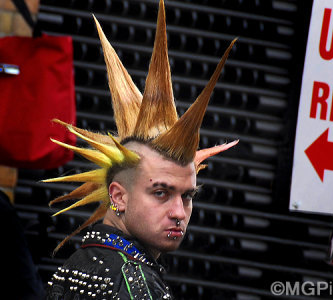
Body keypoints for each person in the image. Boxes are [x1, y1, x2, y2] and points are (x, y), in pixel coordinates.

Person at [45, 1, 237, 299]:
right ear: (118, 196)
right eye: (161, 192)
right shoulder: (135, 284)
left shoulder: (76, 264)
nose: (179, 214)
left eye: (187, 196)